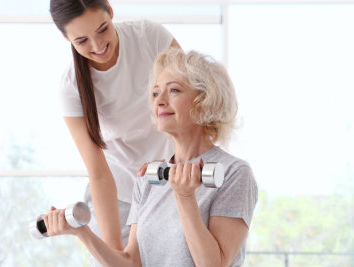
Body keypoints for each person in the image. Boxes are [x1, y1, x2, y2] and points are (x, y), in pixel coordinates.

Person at [44, 48, 258, 267]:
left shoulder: (233, 173)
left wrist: (185, 197)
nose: (160, 101)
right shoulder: (149, 177)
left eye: (174, 90)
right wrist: (82, 233)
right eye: (156, 93)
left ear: (204, 101)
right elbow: (131, 263)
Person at [49, 0, 180, 261]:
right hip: (117, 195)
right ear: (66, 38)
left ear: (110, 10)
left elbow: (190, 106)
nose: (97, 47)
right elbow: (98, 173)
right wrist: (114, 253)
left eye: (102, 30)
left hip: (171, 183)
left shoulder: (150, 37)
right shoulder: (70, 86)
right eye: (82, 40)